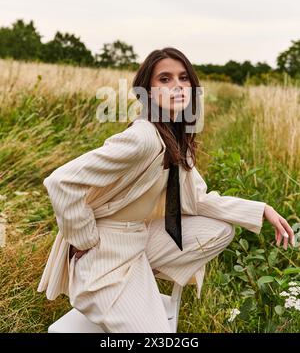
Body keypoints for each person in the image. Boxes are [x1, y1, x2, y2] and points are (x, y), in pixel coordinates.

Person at [38, 47, 295, 333]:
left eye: (184, 78)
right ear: (146, 91)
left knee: (220, 229)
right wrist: (85, 239)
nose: (177, 86)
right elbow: (62, 181)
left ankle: (134, 285)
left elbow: (196, 198)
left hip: (137, 236)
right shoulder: (143, 137)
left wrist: (261, 210)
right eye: (164, 79)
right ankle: (113, 295)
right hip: (106, 250)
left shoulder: (172, 135)